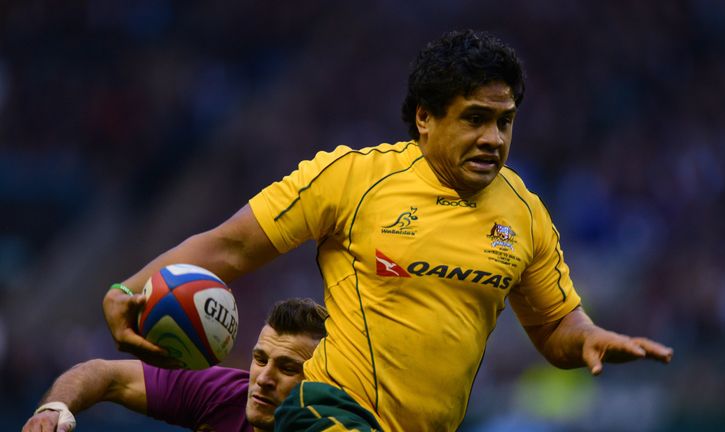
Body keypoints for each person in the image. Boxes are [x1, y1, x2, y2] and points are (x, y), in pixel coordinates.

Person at [102, 29, 673, 431]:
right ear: (425, 117)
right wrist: (130, 289)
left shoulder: (525, 214)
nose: (495, 138)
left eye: (505, 122)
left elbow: (555, 329)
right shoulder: (354, 177)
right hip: (327, 411)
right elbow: (230, 246)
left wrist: (589, 338)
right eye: (475, 118)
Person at [23, 298, 328, 432]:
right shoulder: (223, 394)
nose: (263, 378)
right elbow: (105, 375)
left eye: (287, 368)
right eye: (260, 359)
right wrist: (54, 409)